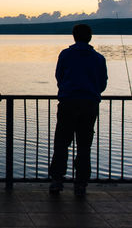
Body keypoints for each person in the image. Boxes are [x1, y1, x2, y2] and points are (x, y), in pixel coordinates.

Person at [49, 24, 107, 196]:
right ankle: (81, 183)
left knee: (61, 143)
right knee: (84, 146)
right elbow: (102, 83)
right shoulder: (98, 58)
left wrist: (67, 89)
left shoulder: (65, 55)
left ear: (74, 36)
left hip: (68, 102)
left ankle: (57, 181)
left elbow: (59, 76)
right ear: (90, 37)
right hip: (89, 105)